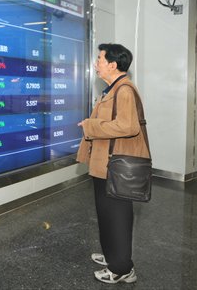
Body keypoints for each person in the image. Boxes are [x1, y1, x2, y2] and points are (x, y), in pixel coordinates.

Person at [76, 43, 150, 284]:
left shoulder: (124, 90)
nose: (96, 63)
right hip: (103, 164)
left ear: (113, 64)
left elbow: (128, 126)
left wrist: (91, 125)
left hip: (115, 167)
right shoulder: (111, 89)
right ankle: (112, 255)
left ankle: (122, 268)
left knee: (116, 216)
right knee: (106, 214)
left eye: (100, 58)